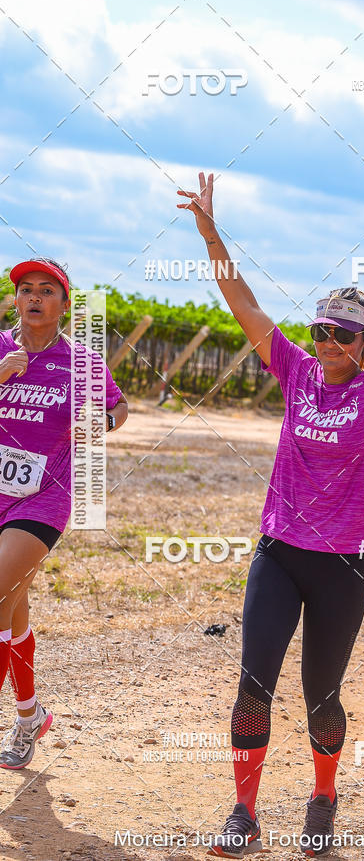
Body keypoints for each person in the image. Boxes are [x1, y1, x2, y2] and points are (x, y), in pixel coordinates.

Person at [177, 173, 364, 858]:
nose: (330, 343)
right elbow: (242, 300)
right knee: (254, 683)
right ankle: (244, 813)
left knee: (322, 698)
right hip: (279, 551)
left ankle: (322, 796)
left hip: (343, 564)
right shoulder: (292, 369)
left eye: (345, 335)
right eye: (322, 330)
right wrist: (209, 233)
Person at [0, 257, 128, 770]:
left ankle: (26, 717)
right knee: (11, 607)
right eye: (25, 289)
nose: (33, 297)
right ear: (15, 300)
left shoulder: (83, 362)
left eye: (46, 290)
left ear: (64, 303)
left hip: (43, 498)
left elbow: (119, 407)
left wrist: (102, 424)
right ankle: (30, 715)